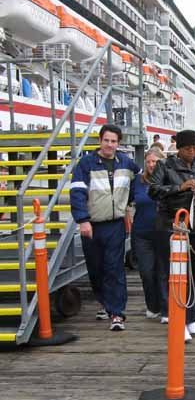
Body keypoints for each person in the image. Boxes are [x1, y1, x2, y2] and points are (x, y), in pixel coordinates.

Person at [149, 130, 195, 341]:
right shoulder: (165, 165)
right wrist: (180, 187)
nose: (192, 152)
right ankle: (177, 318)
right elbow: (153, 190)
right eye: (188, 149)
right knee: (175, 273)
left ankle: (192, 316)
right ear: (179, 149)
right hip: (172, 225)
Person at [71, 124, 139, 331]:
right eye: (107, 140)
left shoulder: (127, 163)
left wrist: (129, 206)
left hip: (115, 225)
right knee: (96, 269)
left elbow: (139, 182)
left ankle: (117, 313)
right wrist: (82, 220)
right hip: (92, 225)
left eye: (114, 141)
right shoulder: (86, 164)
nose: (110, 144)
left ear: (119, 143)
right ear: (100, 141)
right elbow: (77, 192)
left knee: (114, 268)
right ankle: (103, 302)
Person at [132, 148, 167, 319]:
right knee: (146, 271)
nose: (151, 164)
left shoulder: (167, 179)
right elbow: (127, 200)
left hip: (163, 232)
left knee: (162, 272)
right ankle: (153, 306)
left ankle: (166, 308)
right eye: (149, 161)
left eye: (155, 161)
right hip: (142, 232)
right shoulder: (138, 181)